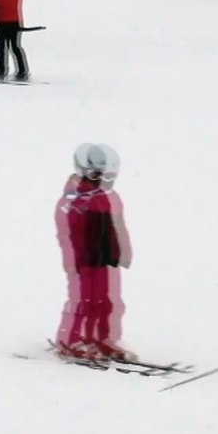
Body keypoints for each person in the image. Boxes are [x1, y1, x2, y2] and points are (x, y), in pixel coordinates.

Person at [54, 143, 133, 361]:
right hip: (83, 261)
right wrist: (74, 260)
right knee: (83, 301)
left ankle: (103, 338)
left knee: (108, 302)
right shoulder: (72, 201)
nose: (105, 181)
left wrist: (123, 251)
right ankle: (71, 339)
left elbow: (118, 225)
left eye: (108, 176)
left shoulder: (109, 197)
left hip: (105, 259)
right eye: (98, 175)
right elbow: (67, 234)